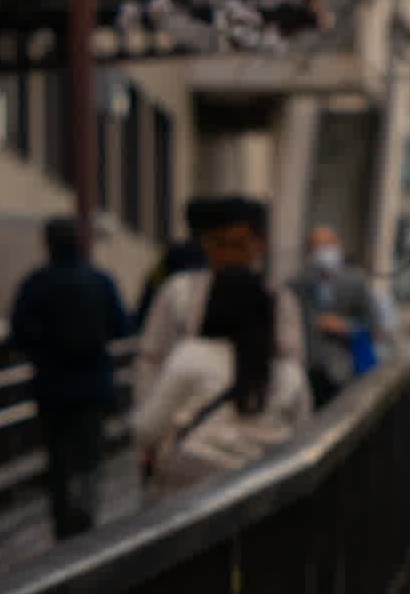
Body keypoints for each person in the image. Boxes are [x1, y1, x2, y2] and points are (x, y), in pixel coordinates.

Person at [132, 265, 314, 493]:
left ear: (211, 306)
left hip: (190, 490)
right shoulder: (290, 372)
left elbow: (146, 429)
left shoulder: (191, 356)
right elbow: (304, 436)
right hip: (266, 488)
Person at [132, 195, 305, 432]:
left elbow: (291, 362)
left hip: (255, 429)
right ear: (205, 244)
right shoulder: (178, 291)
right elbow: (151, 357)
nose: (229, 254)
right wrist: (150, 414)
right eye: (219, 243)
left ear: (258, 245)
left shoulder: (279, 299)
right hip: (184, 432)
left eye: (238, 245)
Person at [8, 216, 130, 540]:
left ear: (47, 244)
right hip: (93, 386)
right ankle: (87, 519)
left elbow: (17, 332)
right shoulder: (100, 280)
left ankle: (63, 528)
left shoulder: (36, 282)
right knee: (91, 457)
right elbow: (121, 326)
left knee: (58, 462)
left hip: (51, 388)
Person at [293, 222, 394, 407]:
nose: (324, 251)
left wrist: (347, 327)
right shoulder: (298, 283)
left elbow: (376, 326)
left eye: (328, 245)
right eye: (318, 246)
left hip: (342, 372)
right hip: (305, 372)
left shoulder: (355, 281)